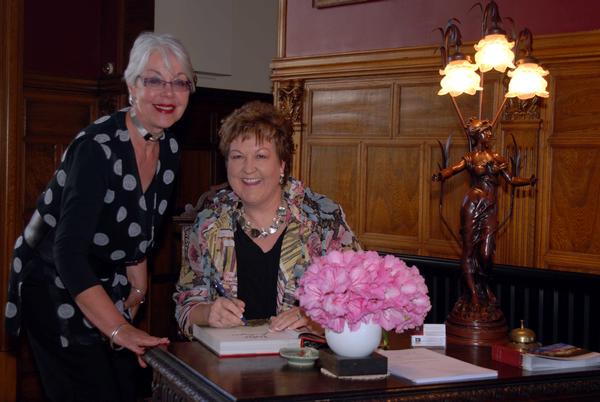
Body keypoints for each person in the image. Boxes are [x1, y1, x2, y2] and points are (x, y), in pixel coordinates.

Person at [4, 32, 195, 401]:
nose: (167, 93)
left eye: (179, 82)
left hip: (105, 282)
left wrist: (138, 289)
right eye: (153, 80)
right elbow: (68, 255)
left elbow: (142, 227)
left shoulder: (168, 145)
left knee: (126, 388)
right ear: (131, 85)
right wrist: (120, 330)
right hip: (53, 281)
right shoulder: (97, 149)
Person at [174, 101, 360, 338]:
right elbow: (185, 306)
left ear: (282, 164)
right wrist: (208, 312)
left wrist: (313, 318)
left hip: (306, 364)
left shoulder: (323, 217)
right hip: (228, 366)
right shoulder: (210, 221)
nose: (248, 168)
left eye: (261, 156)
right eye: (237, 156)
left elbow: (360, 297)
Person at [432, 118, 536, 309]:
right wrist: (441, 174)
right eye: (486, 132)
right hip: (472, 203)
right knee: (469, 251)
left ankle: (484, 284)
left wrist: (528, 181)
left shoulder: (498, 157)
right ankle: (473, 293)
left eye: (490, 131)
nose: (489, 135)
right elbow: (454, 169)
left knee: (486, 253)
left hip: (490, 206)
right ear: (477, 135)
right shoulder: (470, 158)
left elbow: (511, 179)